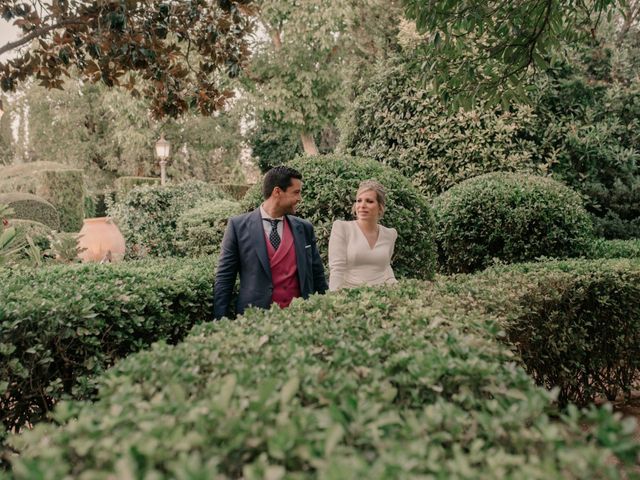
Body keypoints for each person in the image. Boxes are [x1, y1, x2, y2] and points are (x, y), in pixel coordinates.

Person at [213, 166, 328, 319]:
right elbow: (224, 278)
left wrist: (326, 311)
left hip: (300, 319)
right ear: (277, 192)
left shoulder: (304, 228)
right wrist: (220, 321)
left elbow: (318, 275)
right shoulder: (238, 226)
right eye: (296, 192)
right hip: (254, 319)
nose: (300, 198)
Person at [328, 180, 397, 290]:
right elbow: (337, 269)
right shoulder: (342, 228)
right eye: (359, 201)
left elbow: (385, 268)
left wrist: (397, 289)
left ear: (380, 207)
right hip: (350, 296)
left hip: (382, 296)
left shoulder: (390, 234)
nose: (362, 205)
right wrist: (333, 300)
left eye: (369, 201)